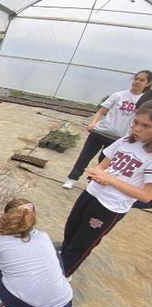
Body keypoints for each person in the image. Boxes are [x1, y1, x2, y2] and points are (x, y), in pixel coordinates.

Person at [60, 102, 152, 277]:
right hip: (92, 192)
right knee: (71, 229)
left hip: (110, 206)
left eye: (146, 125)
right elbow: (102, 165)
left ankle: (64, 274)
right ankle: (61, 258)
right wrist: (98, 174)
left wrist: (110, 179)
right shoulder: (125, 141)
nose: (137, 128)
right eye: (136, 122)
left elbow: (146, 196)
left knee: (83, 242)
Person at [0, 199, 73, 307]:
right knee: (55, 255)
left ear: (6, 216)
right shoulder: (43, 236)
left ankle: (3, 306)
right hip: (63, 306)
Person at [62, 70, 152, 189]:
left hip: (118, 138)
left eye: (142, 80)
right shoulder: (118, 95)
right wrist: (93, 123)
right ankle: (72, 179)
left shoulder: (144, 102)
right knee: (85, 157)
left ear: (148, 83)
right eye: (136, 79)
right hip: (100, 132)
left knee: (104, 162)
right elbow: (101, 111)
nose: (137, 82)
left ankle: (92, 181)